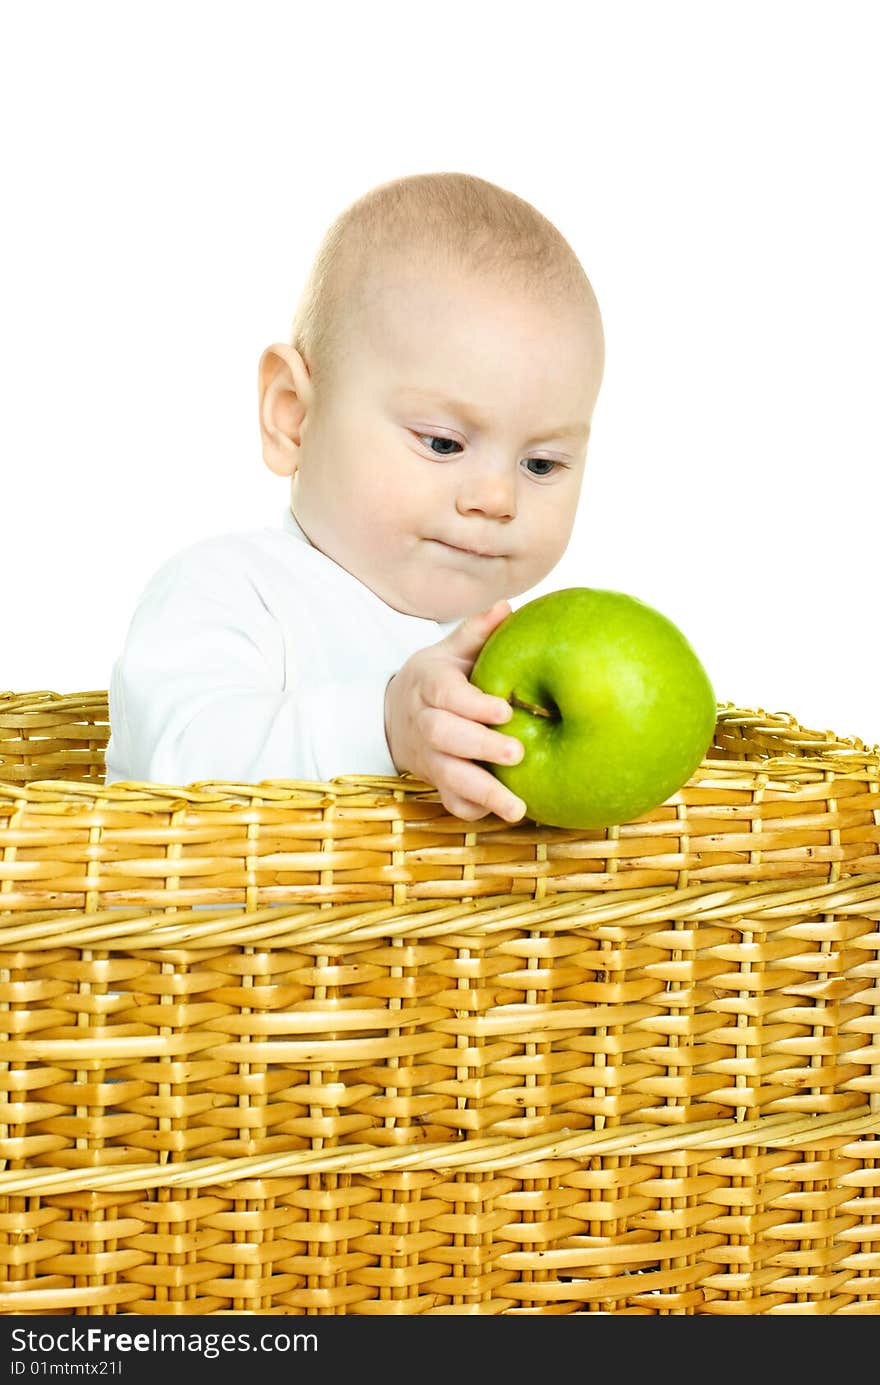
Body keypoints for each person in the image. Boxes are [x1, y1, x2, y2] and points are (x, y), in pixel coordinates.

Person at [104, 171, 605, 824]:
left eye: (540, 462)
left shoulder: (518, 662)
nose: (497, 496)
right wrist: (386, 724)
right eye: (444, 444)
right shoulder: (229, 588)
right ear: (292, 417)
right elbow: (176, 761)